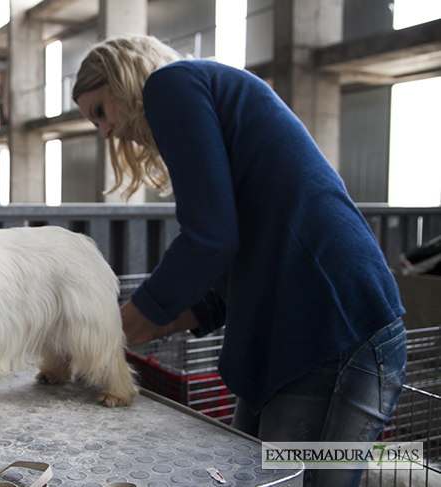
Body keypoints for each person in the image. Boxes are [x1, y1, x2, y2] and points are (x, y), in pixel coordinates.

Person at [73, 35, 407, 487]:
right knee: (247, 475)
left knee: (285, 479)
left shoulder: (170, 84)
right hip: (300, 326)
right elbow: (223, 279)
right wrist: (139, 328)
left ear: (123, 78)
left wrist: (113, 329)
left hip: (336, 323)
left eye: (99, 112)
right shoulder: (207, 97)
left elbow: (209, 239)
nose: (106, 131)